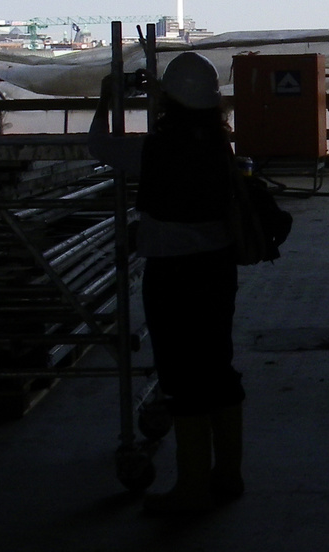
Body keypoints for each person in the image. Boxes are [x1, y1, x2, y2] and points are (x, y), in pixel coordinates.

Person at [91, 52, 248, 514]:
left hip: (173, 276)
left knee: (182, 376)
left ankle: (192, 487)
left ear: (168, 99)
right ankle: (228, 475)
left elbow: (98, 145)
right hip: (217, 270)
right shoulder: (219, 146)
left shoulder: (154, 151)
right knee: (217, 368)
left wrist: (106, 102)